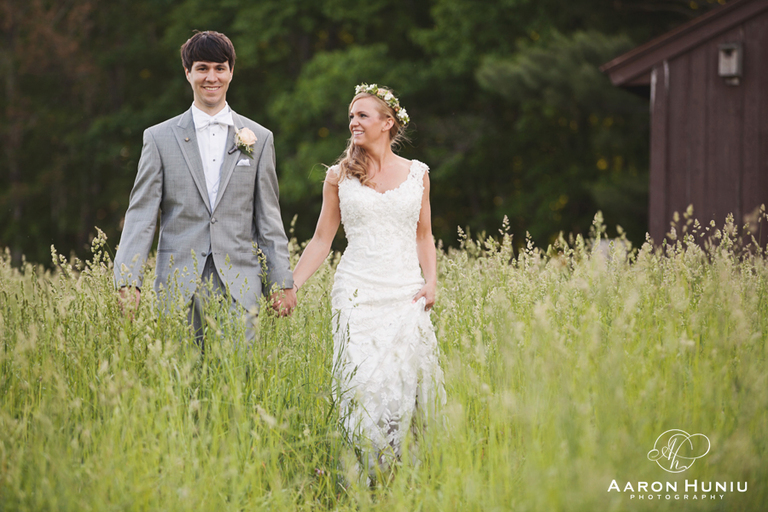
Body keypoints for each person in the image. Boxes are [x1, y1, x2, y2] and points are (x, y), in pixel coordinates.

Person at [291, 83, 445, 479]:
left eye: (362, 115)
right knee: (362, 383)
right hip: (356, 291)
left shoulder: (418, 174)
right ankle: (362, 474)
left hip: (404, 292)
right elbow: (322, 239)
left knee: (402, 382)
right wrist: (293, 284)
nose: (353, 122)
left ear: (387, 123)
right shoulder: (338, 176)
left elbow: (423, 234)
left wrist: (431, 282)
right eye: (351, 116)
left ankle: (403, 475)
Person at [113, 31, 296, 345]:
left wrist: (281, 281)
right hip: (178, 283)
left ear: (231, 72)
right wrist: (129, 281)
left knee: (239, 378)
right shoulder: (158, 138)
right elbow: (142, 214)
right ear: (188, 73)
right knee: (180, 383)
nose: (211, 77)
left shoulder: (260, 139)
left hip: (240, 282)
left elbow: (268, 217)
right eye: (202, 68)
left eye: (219, 68)